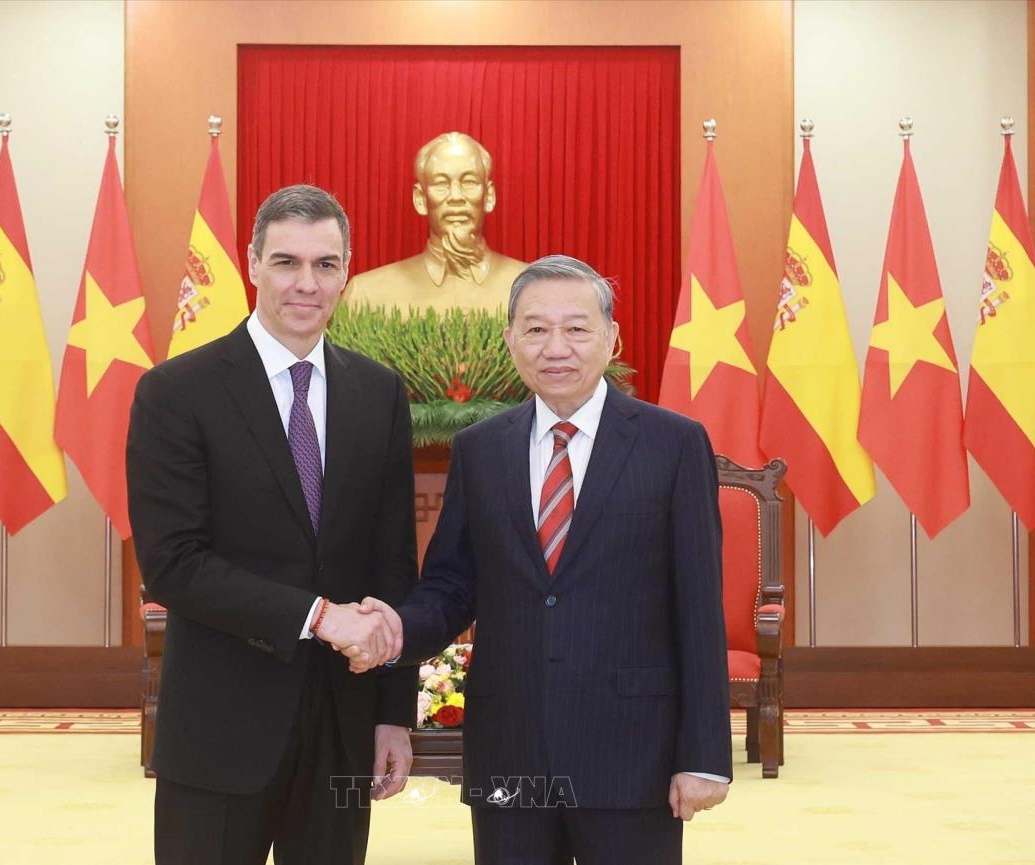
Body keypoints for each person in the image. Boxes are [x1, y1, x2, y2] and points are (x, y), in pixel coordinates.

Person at [351, 255, 732, 865]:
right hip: (511, 749)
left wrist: (705, 755)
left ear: (611, 338)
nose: (556, 347)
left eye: (576, 328)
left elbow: (699, 606)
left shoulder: (674, 444)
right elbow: (452, 585)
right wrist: (395, 629)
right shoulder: (480, 449)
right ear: (510, 340)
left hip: (633, 750)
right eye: (535, 329)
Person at [127, 184, 417, 865]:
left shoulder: (379, 393)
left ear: (346, 272)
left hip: (343, 726)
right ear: (253, 262)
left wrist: (392, 714)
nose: (306, 283)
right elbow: (173, 563)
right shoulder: (176, 391)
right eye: (287, 262)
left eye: (325, 264)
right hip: (220, 726)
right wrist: (317, 616)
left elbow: (393, 564)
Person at [344, 131, 527, 315]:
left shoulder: (534, 289)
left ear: (489, 196)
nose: (456, 197)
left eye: (469, 182)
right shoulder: (366, 297)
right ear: (420, 199)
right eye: (441, 184)